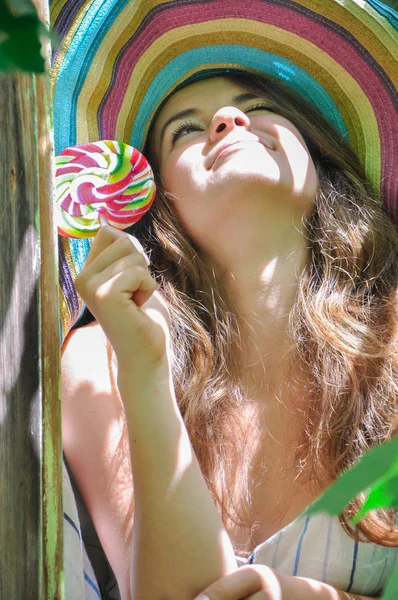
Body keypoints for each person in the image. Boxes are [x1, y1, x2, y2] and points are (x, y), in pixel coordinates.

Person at [52, 1, 398, 599]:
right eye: (185, 128)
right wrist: (148, 369)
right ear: (153, 205)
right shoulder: (99, 361)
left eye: (259, 107)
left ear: (317, 160)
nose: (227, 121)